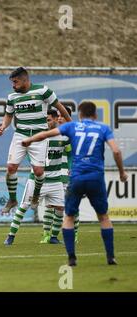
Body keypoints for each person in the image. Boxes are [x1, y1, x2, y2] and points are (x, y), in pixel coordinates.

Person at [22, 101, 128, 266]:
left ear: (79, 114)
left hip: (76, 177)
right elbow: (116, 150)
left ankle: (71, 257)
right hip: (96, 177)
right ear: (95, 114)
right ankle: (110, 256)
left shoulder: (72, 127)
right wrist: (121, 172)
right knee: (103, 217)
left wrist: (28, 140)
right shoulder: (103, 128)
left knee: (69, 216)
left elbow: (45, 135)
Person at [0, 67, 71, 213]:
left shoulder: (43, 91)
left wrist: (71, 123)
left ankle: (36, 196)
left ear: (25, 80)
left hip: (39, 136)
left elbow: (59, 107)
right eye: (12, 82)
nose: (13, 85)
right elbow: (8, 115)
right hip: (20, 134)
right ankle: (12, 199)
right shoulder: (12, 97)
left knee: (38, 171)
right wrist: (3, 125)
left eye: (15, 82)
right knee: (11, 167)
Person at [4, 110, 68, 245]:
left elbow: (70, 153)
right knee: (23, 207)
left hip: (56, 180)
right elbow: (27, 152)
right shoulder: (38, 137)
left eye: (49, 120)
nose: (46, 122)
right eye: (45, 120)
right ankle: (10, 236)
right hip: (37, 179)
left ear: (56, 119)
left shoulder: (64, 137)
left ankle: (54, 237)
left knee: (60, 208)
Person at [58, 106, 80, 242]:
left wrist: (72, 169)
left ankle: (75, 233)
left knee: (71, 204)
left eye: (62, 115)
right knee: (53, 206)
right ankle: (49, 235)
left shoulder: (71, 134)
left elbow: (72, 155)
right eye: (58, 115)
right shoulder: (53, 132)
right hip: (54, 174)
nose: (59, 117)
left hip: (67, 173)